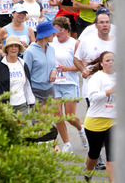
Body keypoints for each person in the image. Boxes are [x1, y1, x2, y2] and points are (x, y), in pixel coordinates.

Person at [49, 16, 87, 154]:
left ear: (66, 30)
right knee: (58, 115)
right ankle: (67, 144)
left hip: (70, 83)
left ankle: (81, 129)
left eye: (58, 30)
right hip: (55, 83)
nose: (56, 33)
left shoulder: (74, 43)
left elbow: (81, 66)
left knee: (70, 117)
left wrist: (67, 68)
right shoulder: (51, 42)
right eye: (54, 30)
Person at [82, 51, 115, 182]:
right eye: (107, 60)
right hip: (95, 121)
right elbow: (93, 98)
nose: (111, 62)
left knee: (112, 158)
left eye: (113, 60)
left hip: (113, 121)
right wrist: (110, 91)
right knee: (94, 153)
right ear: (101, 63)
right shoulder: (97, 78)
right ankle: (88, 172)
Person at [74, 11, 116, 104]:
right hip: (92, 88)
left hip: (113, 87)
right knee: (94, 116)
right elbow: (76, 59)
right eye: (101, 22)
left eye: (107, 22)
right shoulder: (87, 42)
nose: (105, 25)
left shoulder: (117, 42)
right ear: (96, 25)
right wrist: (83, 70)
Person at [0, 35, 35, 114]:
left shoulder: (23, 64)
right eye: (11, 46)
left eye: (16, 46)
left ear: (19, 49)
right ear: (6, 48)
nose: (13, 48)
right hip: (5, 107)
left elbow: (27, 85)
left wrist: (31, 102)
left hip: (22, 105)